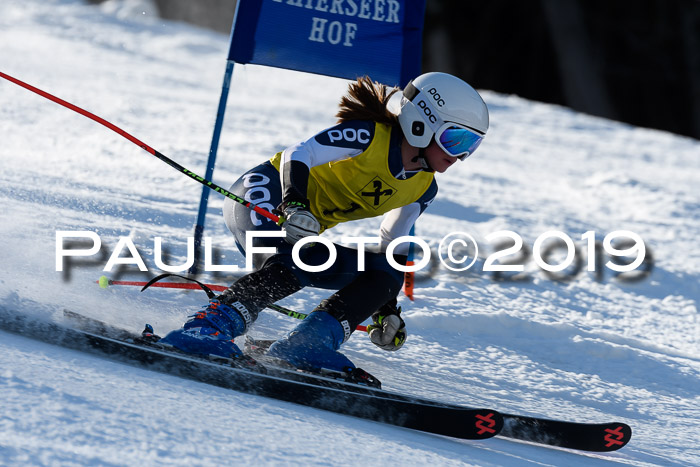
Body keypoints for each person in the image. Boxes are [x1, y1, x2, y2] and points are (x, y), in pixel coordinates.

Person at [160, 72, 489, 380]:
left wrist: (383, 306)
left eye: (470, 147)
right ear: (421, 123)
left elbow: (392, 241)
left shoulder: (423, 188)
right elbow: (298, 153)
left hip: (299, 228)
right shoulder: (369, 137)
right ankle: (206, 327)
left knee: (388, 271)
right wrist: (296, 204)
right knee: (302, 256)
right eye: (455, 139)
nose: (459, 156)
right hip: (261, 196)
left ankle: (307, 345)